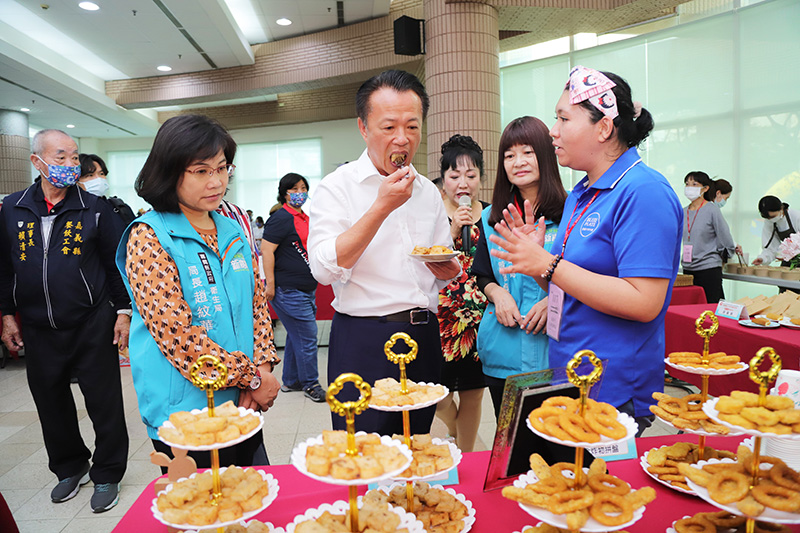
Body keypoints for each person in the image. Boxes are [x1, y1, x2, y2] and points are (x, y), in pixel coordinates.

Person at [489, 66, 683, 434]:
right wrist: (536, 265)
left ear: (603, 128)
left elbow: (644, 302)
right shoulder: (581, 193)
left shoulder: (642, 192)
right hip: (572, 375)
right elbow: (568, 288)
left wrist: (548, 264)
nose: (553, 130)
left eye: (563, 117)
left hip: (614, 386)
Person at [115, 114, 280, 469]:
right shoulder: (149, 236)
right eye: (201, 171)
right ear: (170, 171)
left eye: (222, 169)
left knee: (247, 502)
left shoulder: (232, 229)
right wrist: (251, 376)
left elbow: (257, 308)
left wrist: (262, 369)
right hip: (185, 411)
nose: (216, 181)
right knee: (199, 511)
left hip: (240, 400)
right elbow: (177, 336)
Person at [307, 70, 459, 435]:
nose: (402, 139)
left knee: (415, 449)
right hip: (362, 340)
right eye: (389, 127)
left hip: (422, 336)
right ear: (363, 127)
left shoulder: (426, 191)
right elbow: (322, 269)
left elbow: (443, 259)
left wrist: (447, 269)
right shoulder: (336, 188)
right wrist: (381, 207)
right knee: (362, 455)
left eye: (412, 126)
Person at [0, 129, 130, 512]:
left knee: (103, 402)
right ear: (36, 161)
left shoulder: (95, 209)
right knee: (50, 402)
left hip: (92, 322)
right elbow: (5, 268)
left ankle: (107, 472)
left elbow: (115, 265)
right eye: (61, 158)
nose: (70, 165)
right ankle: (70, 466)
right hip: (38, 326)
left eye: (75, 158)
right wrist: (7, 315)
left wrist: (122, 313)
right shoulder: (12, 208)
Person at [472, 117, 567, 417]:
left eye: (527, 152)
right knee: (511, 446)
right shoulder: (490, 219)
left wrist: (553, 298)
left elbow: (587, 278)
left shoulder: (572, 214)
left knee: (555, 447)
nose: (518, 162)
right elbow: (482, 274)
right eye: (509, 155)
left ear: (546, 154)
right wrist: (498, 294)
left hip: (555, 352)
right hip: (503, 350)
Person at [433, 135, 488, 452]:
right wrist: (452, 231)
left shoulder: (493, 216)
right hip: (439, 320)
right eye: (455, 175)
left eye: (471, 175)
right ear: (443, 180)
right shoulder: (432, 215)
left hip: (480, 322)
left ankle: (466, 455)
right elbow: (421, 260)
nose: (463, 183)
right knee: (437, 394)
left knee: (473, 392)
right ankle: (455, 429)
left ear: (481, 177)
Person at [262, 173, 325, 403]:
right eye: (295, 189)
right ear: (284, 192)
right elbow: (267, 251)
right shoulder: (280, 218)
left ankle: (292, 380)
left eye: (304, 188)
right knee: (307, 337)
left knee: (296, 336)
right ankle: (311, 384)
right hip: (288, 290)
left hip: (305, 289)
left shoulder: (304, 217)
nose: (300, 193)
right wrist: (270, 284)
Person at [681, 171, 737, 303]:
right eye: (687, 184)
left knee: (709, 307)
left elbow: (725, 237)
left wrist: (726, 256)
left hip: (708, 268)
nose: (689, 187)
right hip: (688, 268)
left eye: (694, 184)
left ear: (705, 188)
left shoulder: (712, 209)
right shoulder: (683, 211)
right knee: (690, 308)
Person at [78, 153, 136, 227]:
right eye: (90, 175)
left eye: (101, 174)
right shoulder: (72, 211)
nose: (98, 179)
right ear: (77, 181)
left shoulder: (119, 208)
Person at [753, 195, 800, 266]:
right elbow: (771, 248)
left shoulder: (796, 217)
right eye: (767, 218)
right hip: (788, 260)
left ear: (781, 208)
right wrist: (763, 258)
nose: (770, 219)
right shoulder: (769, 222)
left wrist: (793, 251)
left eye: (773, 216)